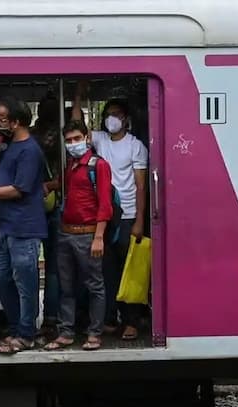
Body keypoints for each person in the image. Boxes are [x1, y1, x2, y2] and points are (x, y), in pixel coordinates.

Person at [0, 97, 47, 354]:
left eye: (2, 118)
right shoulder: (11, 145)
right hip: (6, 227)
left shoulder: (29, 150)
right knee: (1, 278)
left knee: (25, 283)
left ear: (16, 122)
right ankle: (15, 329)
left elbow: (18, 190)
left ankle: (26, 334)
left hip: (23, 228)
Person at [72, 82, 148, 340]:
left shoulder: (136, 146)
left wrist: (139, 220)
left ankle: (131, 321)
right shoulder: (101, 139)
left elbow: (140, 186)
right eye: (107, 114)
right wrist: (79, 99)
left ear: (125, 118)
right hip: (104, 217)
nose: (110, 119)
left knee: (130, 271)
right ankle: (109, 319)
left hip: (126, 217)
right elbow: (77, 128)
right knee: (106, 271)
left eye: (115, 114)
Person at [44, 119, 112, 351]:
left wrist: (99, 237)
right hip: (66, 233)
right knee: (67, 286)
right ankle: (66, 332)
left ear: (87, 138)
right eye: (68, 140)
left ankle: (94, 333)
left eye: (76, 139)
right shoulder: (71, 166)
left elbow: (105, 204)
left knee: (94, 285)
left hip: (88, 234)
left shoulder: (98, 166)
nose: (72, 144)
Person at [31, 95, 63, 339]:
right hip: (55, 204)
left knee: (28, 266)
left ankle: (28, 319)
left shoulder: (29, 136)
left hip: (30, 207)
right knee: (53, 265)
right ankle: (50, 317)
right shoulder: (59, 135)